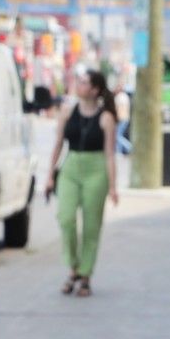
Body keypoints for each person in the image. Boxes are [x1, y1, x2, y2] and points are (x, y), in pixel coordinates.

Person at [46, 68, 120, 297]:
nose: (79, 85)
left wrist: (113, 186)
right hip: (71, 167)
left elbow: (110, 153)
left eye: (85, 82)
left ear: (95, 89)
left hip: (96, 169)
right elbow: (58, 144)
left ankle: (84, 275)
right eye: (79, 81)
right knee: (65, 218)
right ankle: (73, 266)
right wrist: (50, 175)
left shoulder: (106, 118)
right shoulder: (67, 112)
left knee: (91, 225)